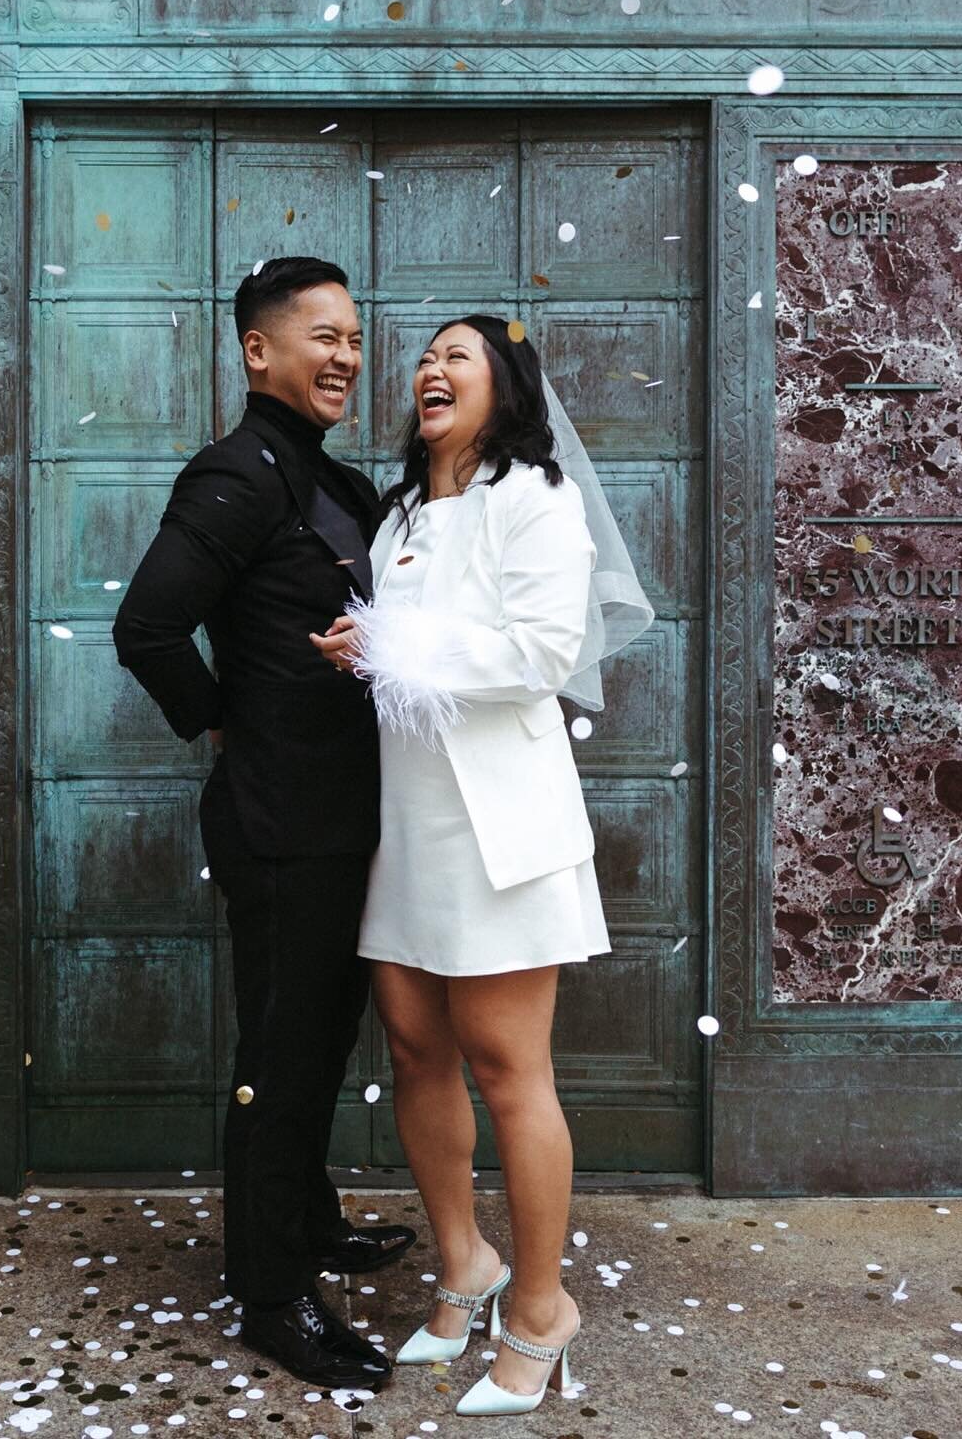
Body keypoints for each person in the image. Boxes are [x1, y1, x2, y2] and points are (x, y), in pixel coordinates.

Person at [310, 313, 653, 1417]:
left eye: (457, 356)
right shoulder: (405, 507)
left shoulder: (534, 500)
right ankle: (465, 1263)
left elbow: (548, 652)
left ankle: (545, 1310)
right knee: (414, 1048)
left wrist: (405, 648)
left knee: (509, 1072)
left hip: (500, 832)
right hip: (405, 825)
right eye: (425, 359)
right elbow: (403, 654)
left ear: (507, 387)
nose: (428, 371)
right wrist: (356, 646)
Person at [111, 256, 415, 1394]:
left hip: (344, 820)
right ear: (258, 351)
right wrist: (223, 724)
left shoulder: (329, 480)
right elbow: (147, 629)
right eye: (321, 336)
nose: (345, 355)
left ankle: (306, 1222)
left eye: (352, 336)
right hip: (280, 822)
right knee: (279, 1062)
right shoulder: (236, 476)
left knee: (322, 1043)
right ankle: (271, 1294)